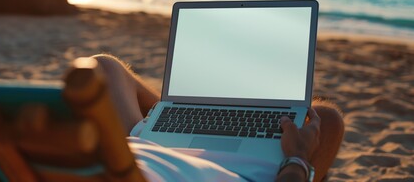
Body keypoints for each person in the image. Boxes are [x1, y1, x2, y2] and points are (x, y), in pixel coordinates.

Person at [92, 54, 345, 182]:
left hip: (134, 153)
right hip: (234, 173)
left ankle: (178, 113)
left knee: (104, 65)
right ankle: (184, 113)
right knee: (327, 119)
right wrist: (297, 157)